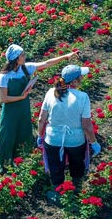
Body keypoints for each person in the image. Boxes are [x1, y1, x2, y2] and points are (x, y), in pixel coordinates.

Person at [0, 44, 79, 173]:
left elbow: (46, 63)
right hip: (11, 110)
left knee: (23, 131)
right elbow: (4, 99)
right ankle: (4, 163)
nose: (25, 56)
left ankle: (20, 159)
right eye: (22, 55)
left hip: (23, 107)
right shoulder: (4, 76)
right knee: (8, 134)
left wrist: (66, 56)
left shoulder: (25, 68)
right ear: (16, 58)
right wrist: (21, 97)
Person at [36, 64, 101, 203]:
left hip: (53, 139)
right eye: (81, 76)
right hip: (75, 140)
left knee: (55, 165)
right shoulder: (82, 97)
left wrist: (40, 136)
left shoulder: (50, 93)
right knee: (76, 164)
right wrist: (94, 143)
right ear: (75, 81)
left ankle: (58, 191)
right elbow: (86, 125)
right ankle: (76, 188)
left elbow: (42, 119)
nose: (83, 78)